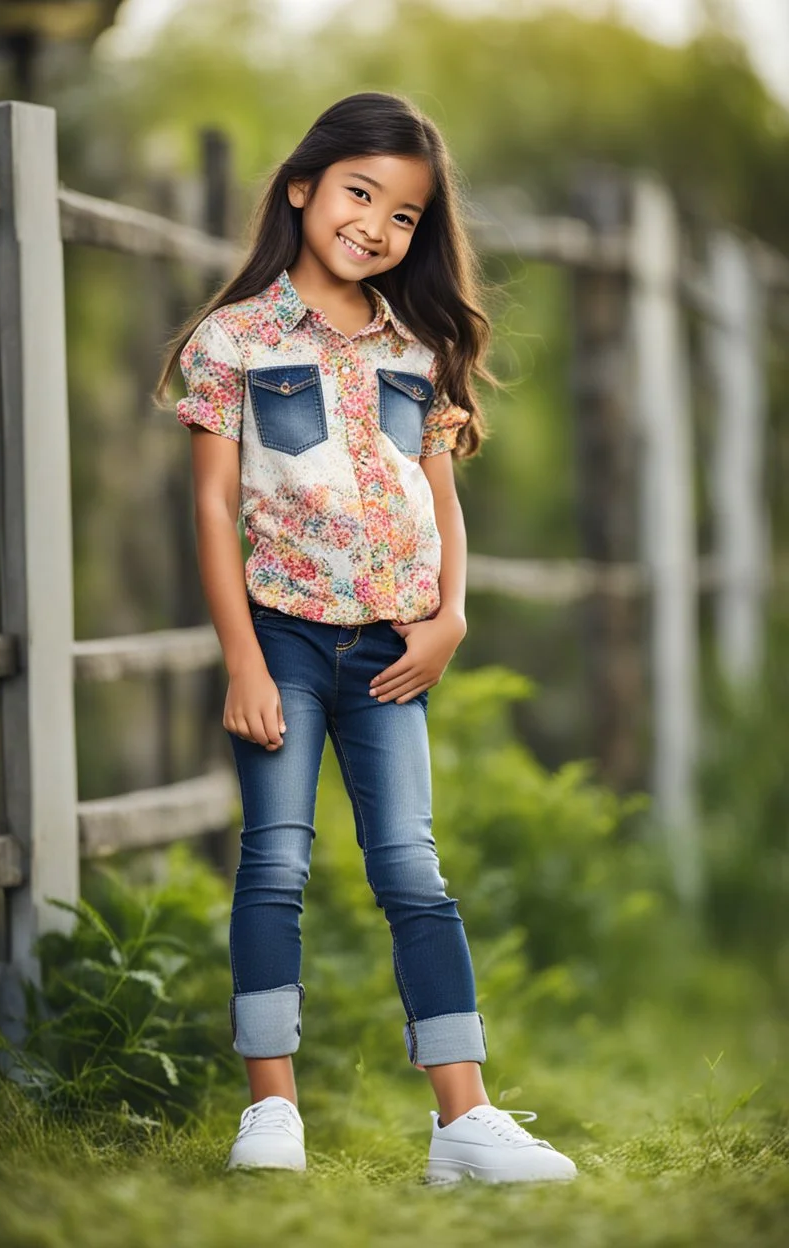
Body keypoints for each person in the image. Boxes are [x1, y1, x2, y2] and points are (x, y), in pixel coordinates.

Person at [157, 91, 576, 1186]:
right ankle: (271, 1114)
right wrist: (243, 659)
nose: (377, 226)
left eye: (403, 214)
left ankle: (463, 1123)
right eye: (359, 193)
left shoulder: (417, 346)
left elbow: (440, 500)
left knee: (411, 871)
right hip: (284, 641)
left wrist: (452, 617)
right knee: (276, 860)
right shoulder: (234, 341)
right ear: (302, 185)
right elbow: (210, 511)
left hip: (393, 649)